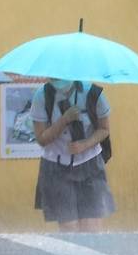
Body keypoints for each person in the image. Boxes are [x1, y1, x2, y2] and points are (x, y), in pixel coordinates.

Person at [30, 79, 115, 232]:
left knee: (91, 227)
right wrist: (64, 120)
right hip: (56, 167)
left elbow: (104, 129)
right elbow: (42, 139)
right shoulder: (42, 96)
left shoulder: (93, 94)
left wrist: (85, 144)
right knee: (70, 228)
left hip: (90, 165)